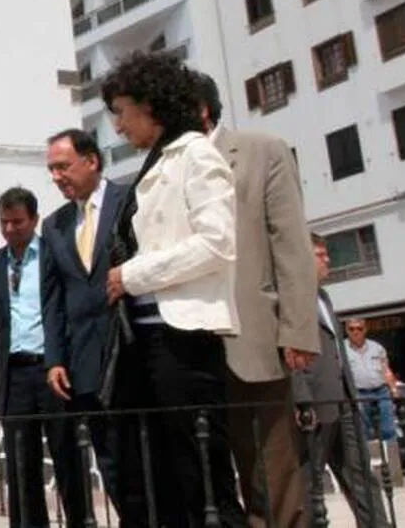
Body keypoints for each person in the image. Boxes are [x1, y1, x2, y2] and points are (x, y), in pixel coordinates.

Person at [101, 51, 247, 528]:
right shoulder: (155, 163)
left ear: (150, 104)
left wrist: (132, 276)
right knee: (155, 473)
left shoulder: (196, 154)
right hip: (143, 341)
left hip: (183, 339)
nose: (118, 126)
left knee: (201, 475)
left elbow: (218, 242)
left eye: (122, 111)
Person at [192, 73, 319, 528]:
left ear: (201, 110)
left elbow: (290, 244)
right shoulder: (163, 170)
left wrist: (298, 329)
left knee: (271, 480)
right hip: (190, 350)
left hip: (252, 341)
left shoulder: (261, 150)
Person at [0, 187, 90, 528]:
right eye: (4, 223)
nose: (11, 229)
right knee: (20, 463)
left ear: (35, 220)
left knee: (67, 455)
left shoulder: (55, 257)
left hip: (53, 369)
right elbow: (0, 319)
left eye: (18, 222)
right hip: (15, 373)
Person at [39, 128, 123, 504]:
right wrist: (55, 358)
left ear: (91, 161)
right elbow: (52, 298)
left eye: (63, 167)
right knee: (111, 465)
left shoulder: (128, 201)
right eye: (51, 170)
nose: (56, 177)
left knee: (146, 456)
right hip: (83, 364)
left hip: (129, 353)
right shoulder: (54, 225)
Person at [293, 233, 388, 527]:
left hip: (344, 399)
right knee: (309, 482)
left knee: (361, 475)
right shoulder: (290, 296)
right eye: (321, 255)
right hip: (314, 402)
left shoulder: (323, 297)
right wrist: (301, 397)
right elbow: (289, 352)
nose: (328, 260)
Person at [344, 318, 400, 442]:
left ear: (365, 330)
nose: (356, 332)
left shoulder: (376, 347)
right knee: (365, 430)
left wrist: (394, 389)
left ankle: (392, 459)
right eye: (351, 329)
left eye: (359, 328)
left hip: (381, 391)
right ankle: (371, 460)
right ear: (346, 330)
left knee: (388, 429)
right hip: (359, 393)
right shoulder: (342, 349)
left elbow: (386, 370)